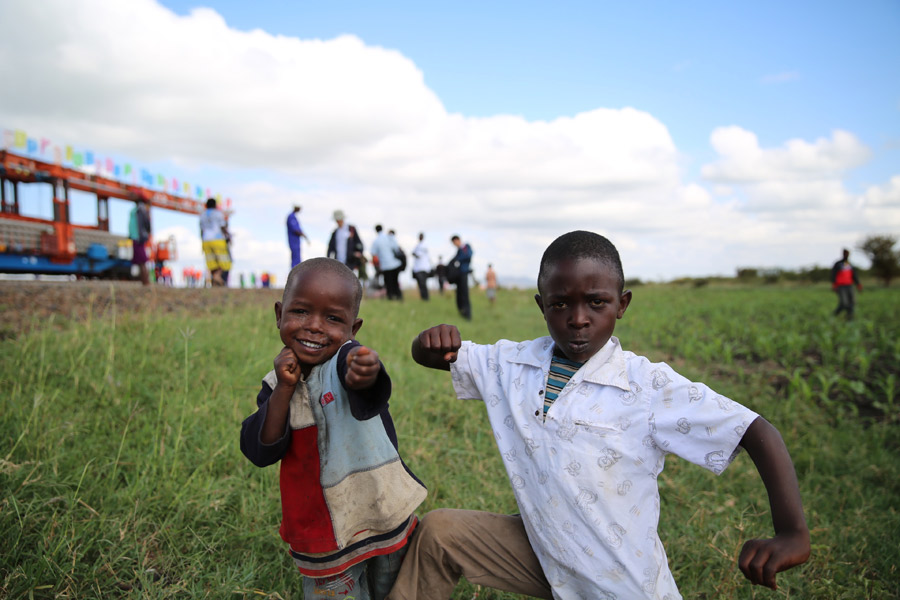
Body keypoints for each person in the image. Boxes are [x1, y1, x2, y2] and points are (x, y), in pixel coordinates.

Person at [388, 230, 810, 600]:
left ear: (622, 304)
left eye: (596, 302)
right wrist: (427, 345)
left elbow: (755, 431)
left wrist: (792, 532)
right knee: (440, 533)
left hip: (619, 582)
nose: (577, 319)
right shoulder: (512, 365)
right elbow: (438, 356)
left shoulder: (647, 387)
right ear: (541, 305)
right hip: (545, 552)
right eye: (560, 304)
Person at [240, 258, 426, 600]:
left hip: (382, 512)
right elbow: (260, 450)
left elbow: (367, 386)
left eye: (333, 318)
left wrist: (365, 371)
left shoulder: (347, 360)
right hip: (320, 532)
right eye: (300, 312)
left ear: (353, 330)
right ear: (278, 314)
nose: (314, 326)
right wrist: (283, 387)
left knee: (396, 591)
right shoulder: (275, 383)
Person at [199, 198, 231, 286]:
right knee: (224, 262)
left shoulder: (202, 215)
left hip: (206, 240)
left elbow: (201, 230)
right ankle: (218, 277)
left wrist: (202, 240)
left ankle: (215, 281)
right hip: (217, 239)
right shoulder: (218, 213)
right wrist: (228, 236)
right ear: (215, 205)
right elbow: (222, 226)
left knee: (212, 263)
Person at [370, 225, 403, 300]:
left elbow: (373, 253)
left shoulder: (376, 241)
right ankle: (399, 297)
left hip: (385, 266)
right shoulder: (389, 237)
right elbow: (396, 248)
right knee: (395, 281)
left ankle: (390, 297)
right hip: (395, 263)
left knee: (388, 283)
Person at [831, 248, 862, 319]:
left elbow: (854, 275)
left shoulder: (850, 265)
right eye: (845, 253)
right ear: (843, 254)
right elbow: (833, 274)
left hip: (849, 285)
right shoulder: (838, 264)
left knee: (852, 302)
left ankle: (849, 317)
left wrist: (858, 284)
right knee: (844, 303)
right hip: (841, 286)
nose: (846, 255)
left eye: (847, 254)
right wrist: (834, 284)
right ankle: (835, 314)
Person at [128, 198, 151, 286]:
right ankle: (144, 282)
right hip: (138, 237)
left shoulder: (138, 211)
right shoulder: (140, 211)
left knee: (142, 261)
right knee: (141, 260)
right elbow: (147, 224)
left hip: (138, 238)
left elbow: (145, 224)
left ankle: (145, 282)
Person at [450, 235, 472, 319]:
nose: (454, 244)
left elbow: (468, 255)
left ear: (457, 240)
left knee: (464, 294)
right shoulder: (459, 250)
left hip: (464, 273)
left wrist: (458, 260)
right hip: (458, 275)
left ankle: (467, 314)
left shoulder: (465, 247)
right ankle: (462, 312)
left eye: (454, 242)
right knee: (459, 294)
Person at [411, 233, 431, 301]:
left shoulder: (424, 246)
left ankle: (426, 297)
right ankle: (423, 297)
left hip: (423, 268)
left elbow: (418, 255)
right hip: (418, 268)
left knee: (423, 283)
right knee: (420, 284)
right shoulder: (417, 246)